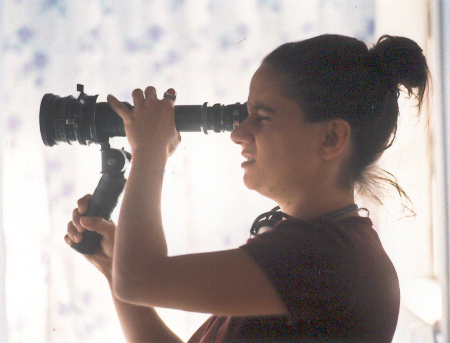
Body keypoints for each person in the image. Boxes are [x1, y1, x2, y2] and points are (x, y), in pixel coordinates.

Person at [65, 34, 429, 342]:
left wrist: (148, 152)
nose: (239, 134)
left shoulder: (324, 256)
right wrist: (115, 269)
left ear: (331, 138)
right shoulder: (323, 247)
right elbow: (135, 281)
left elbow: (139, 279)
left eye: (263, 118)